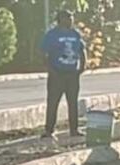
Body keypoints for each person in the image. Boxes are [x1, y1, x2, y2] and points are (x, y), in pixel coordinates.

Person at [40, 9, 86, 139]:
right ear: (61, 19)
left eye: (72, 18)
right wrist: (50, 69)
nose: (71, 20)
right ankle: (49, 130)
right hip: (57, 74)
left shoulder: (75, 34)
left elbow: (82, 50)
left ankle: (74, 130)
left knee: (73, 103)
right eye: (69, 18)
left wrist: (82, 67)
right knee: (53, 102)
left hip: (72, 74)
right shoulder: (52, 35)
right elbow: (44, 53)